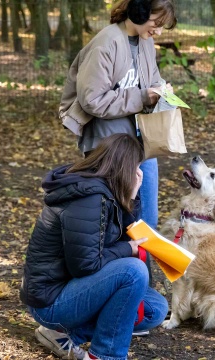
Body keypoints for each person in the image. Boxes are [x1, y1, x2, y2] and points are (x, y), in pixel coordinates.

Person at [19, 134, 168, 360]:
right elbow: (86, 265)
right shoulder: (88, 198)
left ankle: (65, 333)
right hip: (51, 301)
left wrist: (132, 197)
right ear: (125, 168)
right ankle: (105, 355)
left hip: (73, 288)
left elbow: (118, 235)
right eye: (136, 169)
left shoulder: (105, 191)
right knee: (132, 271)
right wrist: (128, 249)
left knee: (155, 308)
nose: (139, 175)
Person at [58, 0, 177, 235]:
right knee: (120, 226)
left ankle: (139, 273)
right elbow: (92, 100)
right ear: (139, 11)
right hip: (109, 148)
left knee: (147, 224)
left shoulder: (146, 42)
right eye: (157, 23)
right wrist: (143, 97)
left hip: (141, 143)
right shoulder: (105, 43)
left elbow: (151, 80)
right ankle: (125, 272)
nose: (159, 31)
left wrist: (161, 91)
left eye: (164, 26)